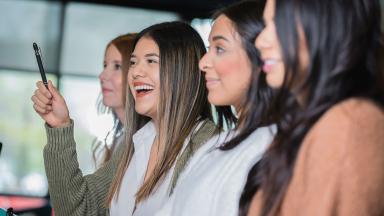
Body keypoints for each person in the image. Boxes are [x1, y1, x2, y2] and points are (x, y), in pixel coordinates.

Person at [31, 21, 233, 216]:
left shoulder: (209, 146)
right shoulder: (135, 144)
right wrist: (60, 126)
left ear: (182, 71)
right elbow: (77, 210)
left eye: (151, 61)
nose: (136, 72)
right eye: (134, 62)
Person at [242, 0, 384, 215]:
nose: (260, 41)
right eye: (266, 25)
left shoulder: (350, 123)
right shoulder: (302, 124)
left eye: (278, 23)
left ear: (325, 26)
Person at [155, 1, 275, 215]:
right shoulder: (217, 145)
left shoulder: (273, 147)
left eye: (219, 49)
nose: (203, 63)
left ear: (262, 56)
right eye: (209, 48)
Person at [93, 33, 137, 167]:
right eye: (105, 65)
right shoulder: (120, 140)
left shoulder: (142, 143)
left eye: (117, 66)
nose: (102, 76)